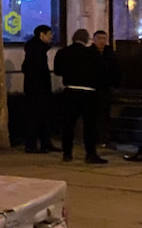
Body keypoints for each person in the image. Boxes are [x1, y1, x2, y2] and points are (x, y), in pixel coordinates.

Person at [54, 28, 107, 164]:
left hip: (70, 91)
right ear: (87, 39)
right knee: (89, 125)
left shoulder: (62, 52)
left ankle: (67, 153)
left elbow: (58, 71)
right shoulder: (92, 53)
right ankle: (90, 154)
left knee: (68, 124)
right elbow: (101, 72)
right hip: (88, 92)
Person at [21, 25, 58, 153]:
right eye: (49, 34)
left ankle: (44, 143)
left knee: (42, 117)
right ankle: (33, 144)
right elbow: (37, 70)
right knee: (36, 117)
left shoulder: (35, 49)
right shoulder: (37, 51)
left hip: (36, 89)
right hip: (38, 90)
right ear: (42, 35)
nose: (51, 37)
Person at [93, 30, 120, 145]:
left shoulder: (110, 54)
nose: (102, 41)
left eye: (104, 39)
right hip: (93, 89)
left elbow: (115, 70)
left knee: (104, 114)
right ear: (94, 40)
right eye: (99, 38)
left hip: (105, 89)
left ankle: (104, 138)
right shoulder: (90, 53)